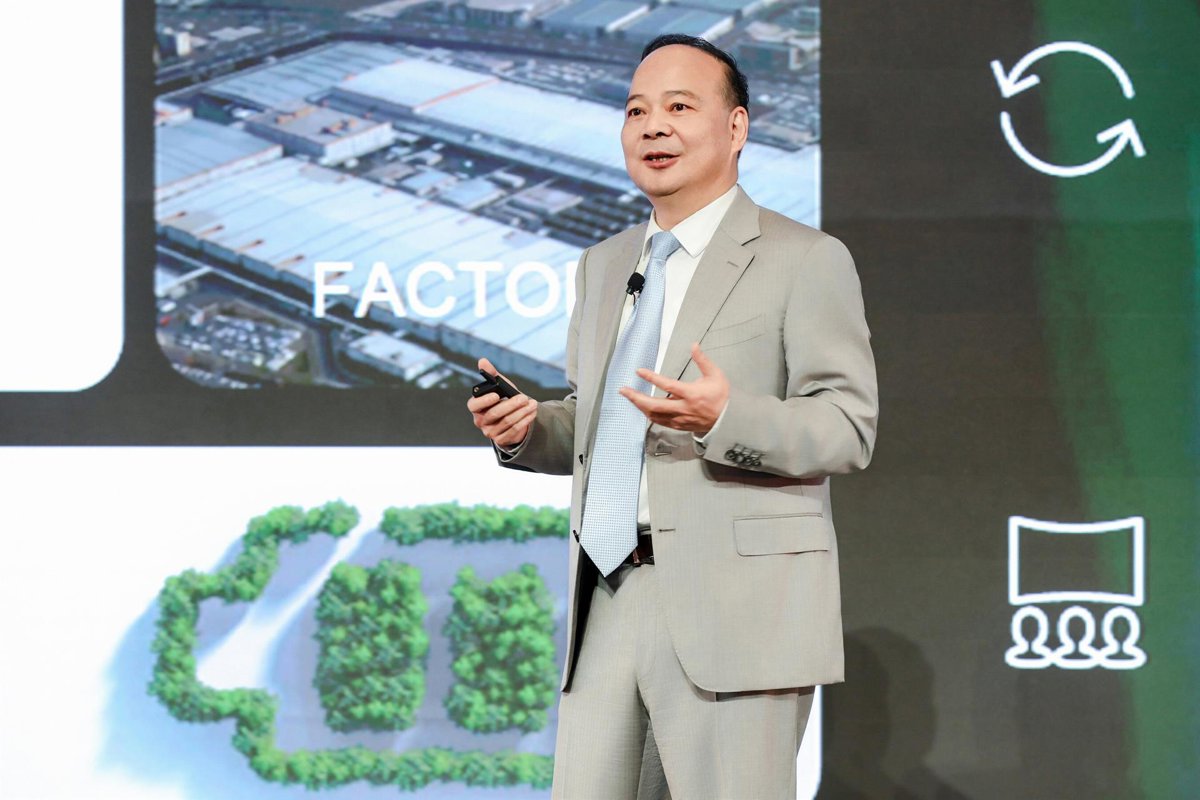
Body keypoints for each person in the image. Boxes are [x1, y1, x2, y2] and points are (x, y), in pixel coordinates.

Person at [467, 33, 878, 799]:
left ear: (735, 127)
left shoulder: (805, 258)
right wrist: (531, 430)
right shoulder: (602, 265)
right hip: (607, 592)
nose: (652, 126)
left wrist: (726, 418)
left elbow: (847, 427)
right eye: (636, 110)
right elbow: (605, 424)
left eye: (679, 107)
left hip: (736, 609)